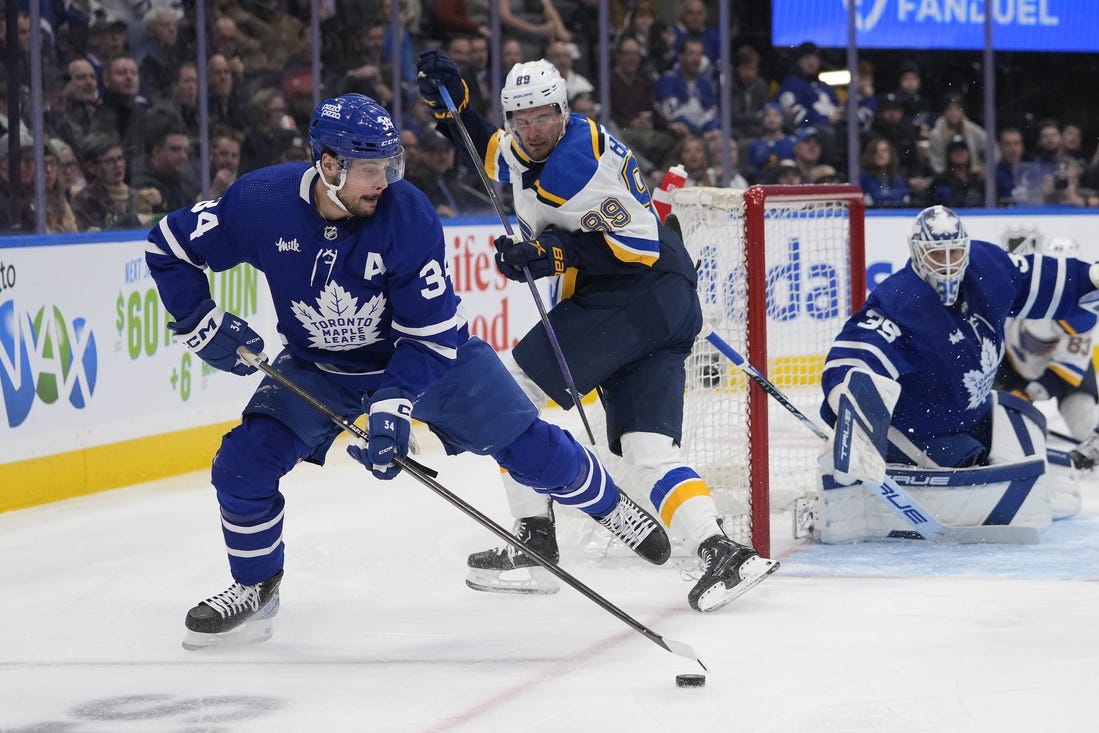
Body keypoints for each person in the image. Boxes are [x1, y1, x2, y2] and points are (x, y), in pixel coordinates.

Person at [145, 93, 671, 649]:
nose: (384, 181)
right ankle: (256, 587)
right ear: (328, 164)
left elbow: (432, 333)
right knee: (241, 466)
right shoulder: (261, 200)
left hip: (427, 359)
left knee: (528, 448)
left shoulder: (407, 213)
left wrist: (394, 403)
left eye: (389, 167)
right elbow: (168, 244)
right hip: (318, 367)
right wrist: (199, 322)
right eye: (370, 169)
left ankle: (610, 504)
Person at [416, 51, 779, 612]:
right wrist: (456, 112)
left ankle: (535, 542)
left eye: (542, 117)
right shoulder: (548, 142)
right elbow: (495, 155)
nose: (532, 131)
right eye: (521, 119)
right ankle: (723, 552)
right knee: (648, 448)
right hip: (665, 304)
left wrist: (547, 252)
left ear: (563, 110)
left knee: (504, 393)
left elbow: (637, 249)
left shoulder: (575, 171)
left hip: (636, 295)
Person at [816, 206, 1095, 542]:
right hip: (921, 431)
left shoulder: (986, 267)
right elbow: (858, 352)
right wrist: (850, 401)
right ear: (918, 253)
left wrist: (1090, 277)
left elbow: (1034, 277)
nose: (948, 263)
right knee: (990, 477)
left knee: (1054, 485)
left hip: (974, 414)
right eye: (937, 255)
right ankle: (848, 477)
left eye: (955, 252)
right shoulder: (900, 299)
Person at [994, 235, 1099, 470]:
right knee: (990, 418)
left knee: (1083, 424)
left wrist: (1028, 393)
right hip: (1010, 363)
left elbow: (1066, 371)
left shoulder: (1084, 309)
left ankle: (1095, 447)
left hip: (1062, 375)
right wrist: (1000, 386)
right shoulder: (1023, 290)